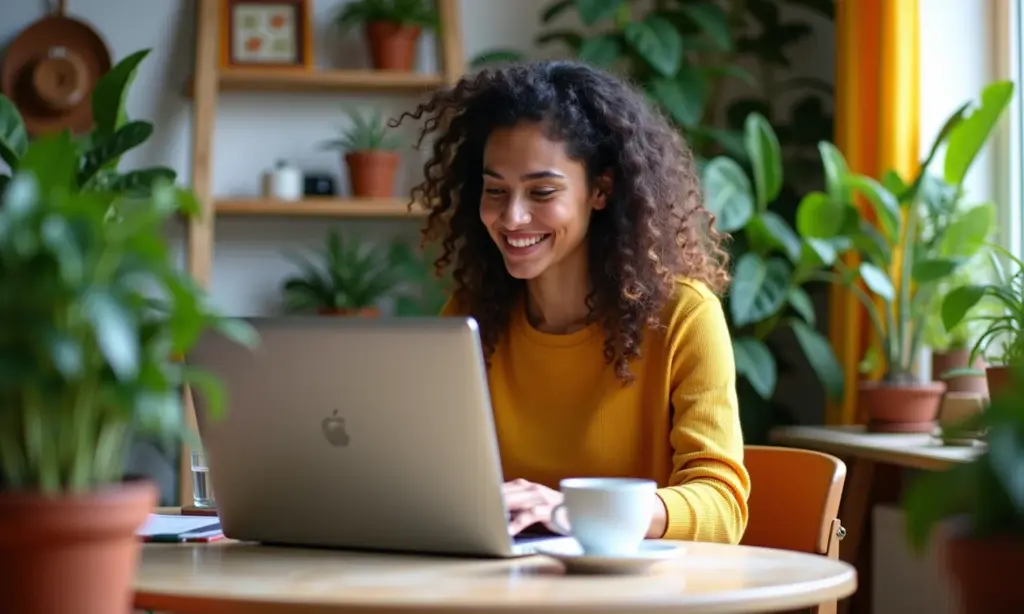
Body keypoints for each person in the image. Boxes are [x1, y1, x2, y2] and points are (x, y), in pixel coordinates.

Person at [393, 60, 750, 544]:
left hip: (638, 583)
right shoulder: (470, 316)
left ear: (601, 189)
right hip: (500, 579)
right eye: (495, 190)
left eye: (542, 192)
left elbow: (722, 507)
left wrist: (572, 510)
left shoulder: (683, 315)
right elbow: (428, 475)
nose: (512, 217)